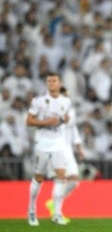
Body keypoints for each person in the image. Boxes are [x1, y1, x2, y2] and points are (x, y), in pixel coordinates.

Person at [26, 72, 72, 226]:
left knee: (61, 176)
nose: (51, 83)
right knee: (39, 177)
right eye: (49, 81)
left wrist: (64, 120)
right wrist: (46, 122)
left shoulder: (66, 102)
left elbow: (63, 118)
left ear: (60, 83)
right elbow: (29, 121)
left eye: (54, 80)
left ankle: (57, 214)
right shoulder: (38, 101)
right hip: (43, 142)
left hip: (58, 141)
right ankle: (31, 211)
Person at [45, 87, 84, 223]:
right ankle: (57, 215)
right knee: (60, 180)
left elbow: (73, 129)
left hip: (68, 150)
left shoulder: (71, 111)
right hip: (55, 150)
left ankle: (53, 203)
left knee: (74, 181)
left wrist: (79, 147)